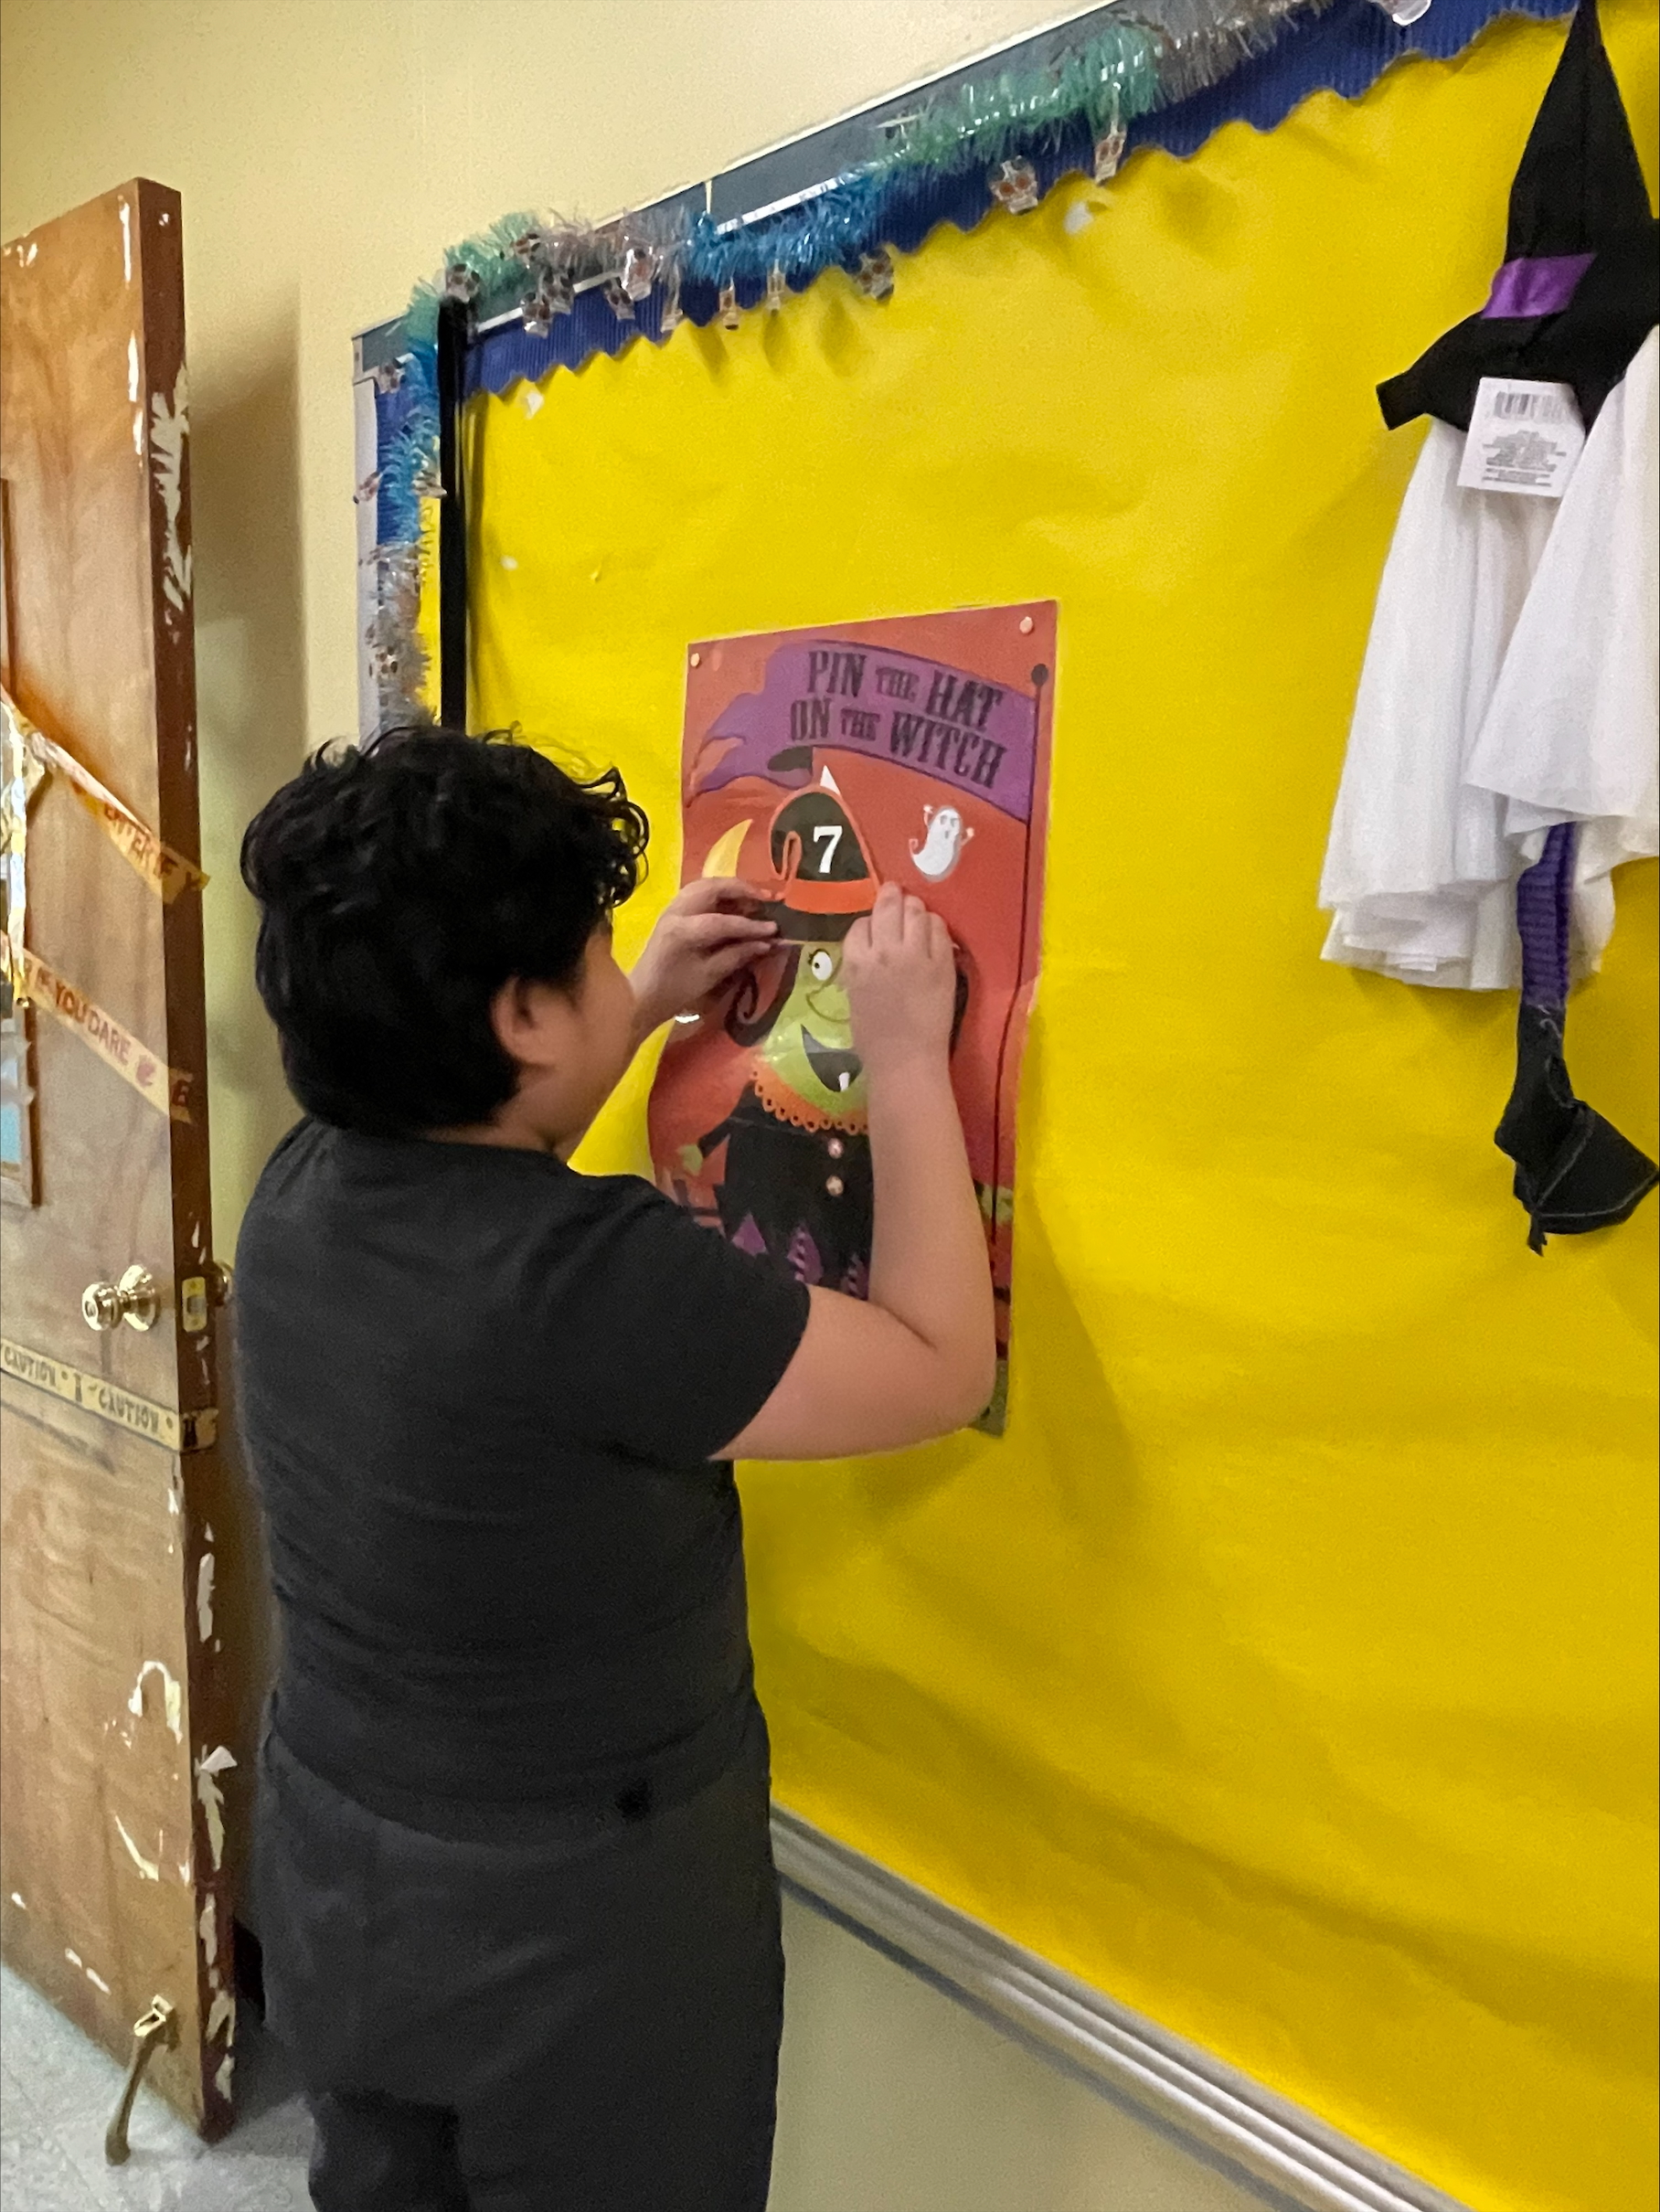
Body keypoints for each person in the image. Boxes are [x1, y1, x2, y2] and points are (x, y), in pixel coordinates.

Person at [234, 724, 995, 2212]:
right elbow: (936, 1363)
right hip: (574, 1923)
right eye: (589, 957)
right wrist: (906, 1060)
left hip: (341, 1861)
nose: (611, 970)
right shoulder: (598, 1283)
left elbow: (489, 1169)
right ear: (521, 1018)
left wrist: (633, 1007)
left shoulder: (306, 1187)